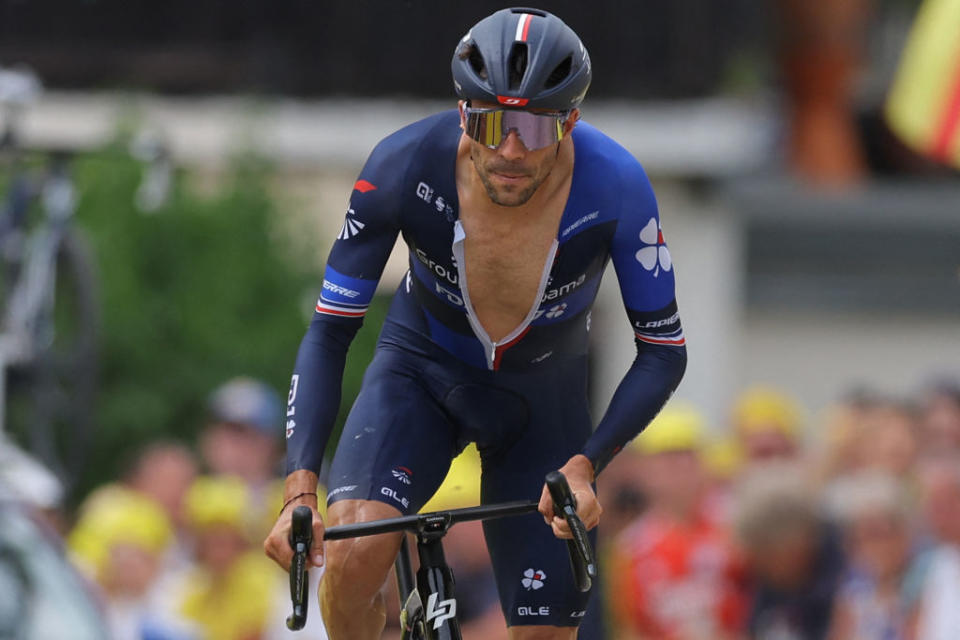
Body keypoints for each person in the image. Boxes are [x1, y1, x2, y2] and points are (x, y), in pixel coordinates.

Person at [263, 8, 687, 640]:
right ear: (463, 112)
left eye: (534, 129)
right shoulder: (402, 165)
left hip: (542, 402)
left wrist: (588, 464)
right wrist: (299, 488)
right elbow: (329, 331)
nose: (510, 150)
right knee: (350, 563)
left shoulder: (617, 185)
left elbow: (663, 352)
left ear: (571, 121)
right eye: (491, 123)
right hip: (420, 376)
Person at [609, 406, 747, 640]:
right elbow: (630, 627)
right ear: (644, 470)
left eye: (688, 455)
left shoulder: (736, 525)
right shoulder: (631, 547)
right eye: (667, 457)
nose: (680, 467)